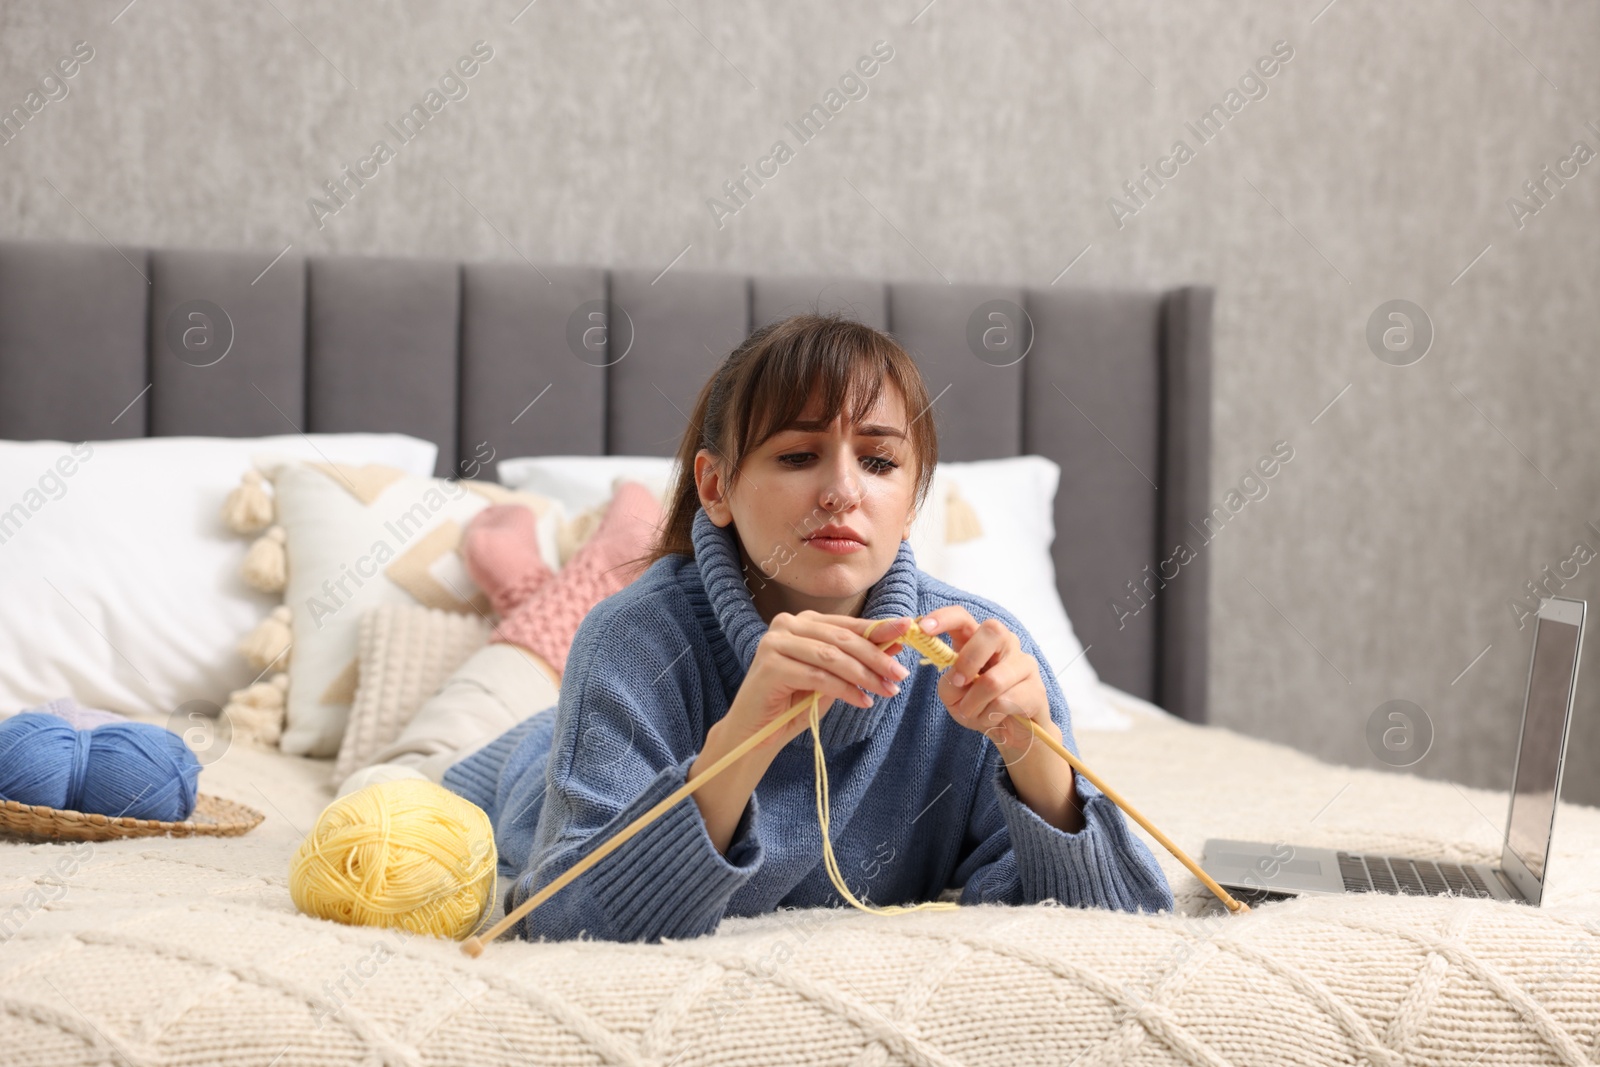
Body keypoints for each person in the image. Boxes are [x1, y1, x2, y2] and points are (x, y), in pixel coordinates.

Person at [442, 312, 1175, 943]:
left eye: (881, 461)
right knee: (428, 764)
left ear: (914, 500)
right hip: (524, 774)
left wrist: (1036, 756)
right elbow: (564, 922)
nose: (842, 492)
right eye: (798, 456)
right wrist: (742, 738)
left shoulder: (985, 654)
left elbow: (1125, 924)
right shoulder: (630, 640)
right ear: (716, 486)